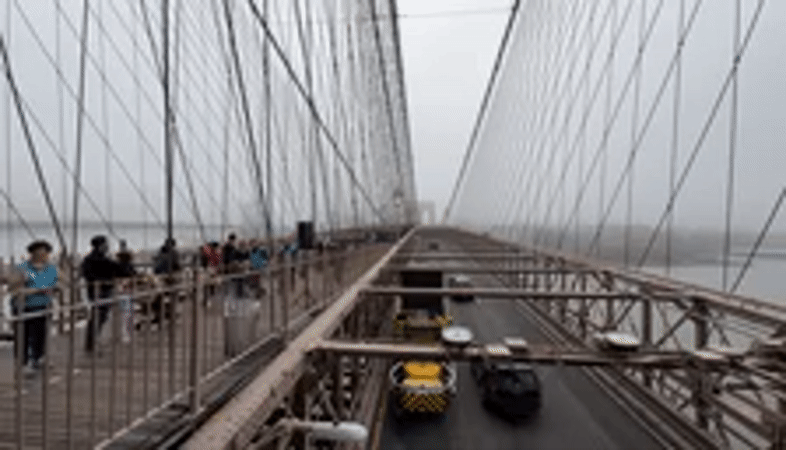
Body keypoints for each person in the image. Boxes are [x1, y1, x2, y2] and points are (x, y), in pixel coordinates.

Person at [9, 240, 58, 374]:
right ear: (33, 253)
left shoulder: (51, 268)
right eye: (42, 252)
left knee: (41, 334)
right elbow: (13, 288)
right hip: (24, 306)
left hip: (44, 306)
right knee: (23, 336)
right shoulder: (22, 267)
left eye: (47, 252)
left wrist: (54, 288)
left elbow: (56, 283)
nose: (45, 255)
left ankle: (38, 357)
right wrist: (31, 287)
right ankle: (22, 363)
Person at [81, 235, 122, 353]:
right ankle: (92, 343)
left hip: (96, 290)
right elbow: (118, 269)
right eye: (105, 244)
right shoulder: (99, 259)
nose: (107, 246)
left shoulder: (89, 259)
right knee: (99, 316)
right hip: (100, 290)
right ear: (100, 246)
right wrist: (105, 280)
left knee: (98, 316)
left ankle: (92, 342)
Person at [116, 242, 137, 343]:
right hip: (127, 290)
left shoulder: (118, 266)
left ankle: (126, 333)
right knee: (128, 312)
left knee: (125, 312)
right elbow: (134, 274)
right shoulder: (129, 266)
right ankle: (127, 333)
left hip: (122, 290)